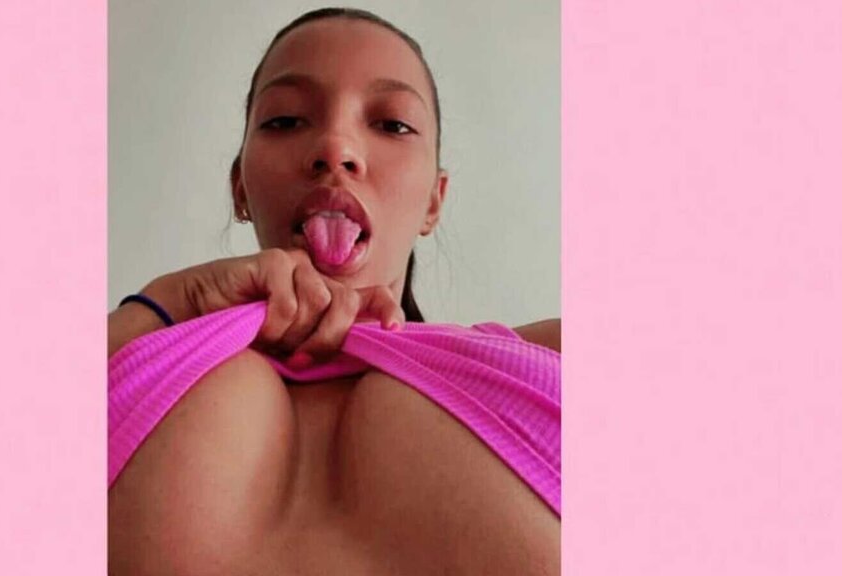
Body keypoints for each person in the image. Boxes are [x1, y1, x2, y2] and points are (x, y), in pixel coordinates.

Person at [108, 8, 560, 575]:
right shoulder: (123, 355)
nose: (335, 147)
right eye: (285, 120)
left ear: (434, 200)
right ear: (239, 188)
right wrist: (174, 300)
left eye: (392, 124)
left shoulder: (546, 361)